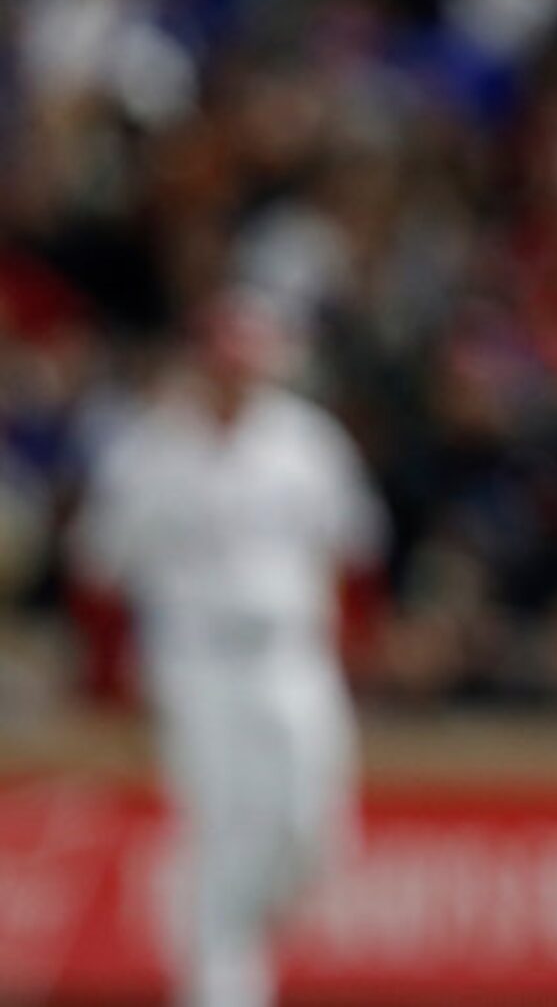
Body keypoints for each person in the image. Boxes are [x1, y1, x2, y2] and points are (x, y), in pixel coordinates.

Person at [69, 291, 385, 1007]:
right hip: (195, 660)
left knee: (313, 831)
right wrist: (107, 674)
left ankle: (218, 935)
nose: (236, 373)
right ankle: (218, 985)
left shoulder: (308, 443)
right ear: (198, 362)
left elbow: (357, 553)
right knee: (218, 831)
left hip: (294, 654)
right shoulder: (148, 450)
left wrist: (361, 647)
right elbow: (98, 570)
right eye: (223, 359)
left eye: (249, 359)